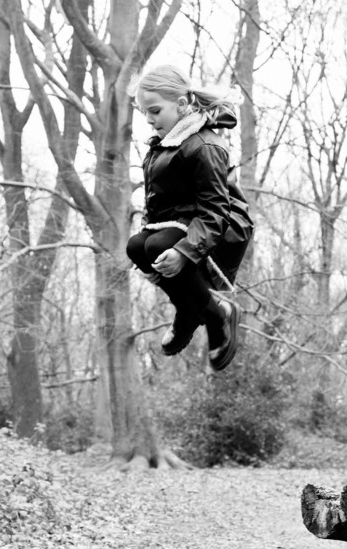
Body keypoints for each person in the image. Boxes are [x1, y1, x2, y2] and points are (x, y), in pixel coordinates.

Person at [126, 65, 253, 372]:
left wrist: (182, 252)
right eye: (144, 112)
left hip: (223, 227)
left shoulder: (204, 145)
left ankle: (218, 314)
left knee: (158, 245)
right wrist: (145, 233)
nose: (148, 119)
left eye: (155, 110)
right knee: (136, 246)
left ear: (182, 105)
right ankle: (189, 310)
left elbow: (215, 211)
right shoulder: (160, 149)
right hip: (184, 222)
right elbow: (156, 205)